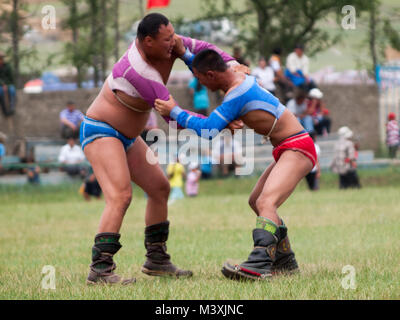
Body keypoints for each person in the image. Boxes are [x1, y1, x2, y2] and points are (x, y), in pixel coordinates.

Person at [79, 13, 246, 284]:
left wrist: (233, 64)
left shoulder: (169, 44)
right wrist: (220, 122)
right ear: (148, 41)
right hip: (101, 130)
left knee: (159, 188)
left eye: (173, 36)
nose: (174, 43)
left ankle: (156, 259)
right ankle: (100, 269)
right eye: (167, 39)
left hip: (128, 136)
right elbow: (172, 115)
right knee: (120, 196)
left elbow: (204, 49)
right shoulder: (138, 70)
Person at [155, 49, 317, 281]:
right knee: (256, 201)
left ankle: (259, 264)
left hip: (297, 147)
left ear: (211, 75)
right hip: (287, 147)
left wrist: (174, 111)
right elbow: (206, 63)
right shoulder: (234, 73)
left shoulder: (236, 95)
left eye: (200, 79)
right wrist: (183, 53)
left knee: (265, 202)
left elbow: (208, 130)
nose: (200, 83)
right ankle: (285, 262)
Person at [0, 52, 16, 117]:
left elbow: (11, 78)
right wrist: (3, 84)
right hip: (1, 85)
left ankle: (12, 107)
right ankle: (4, 110)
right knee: (0, 92)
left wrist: (8, 85)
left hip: (8, 84)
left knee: (12, 90)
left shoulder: (7, 66)